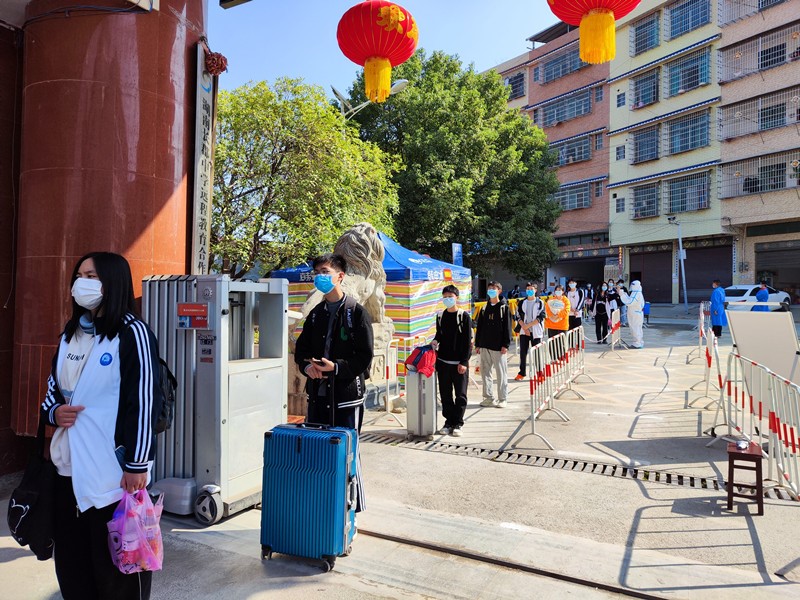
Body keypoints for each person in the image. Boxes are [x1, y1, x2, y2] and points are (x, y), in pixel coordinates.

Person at [40, 252, 162, 600]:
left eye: (92, 276)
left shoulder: (132, 333)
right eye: (79, 275)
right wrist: (54, 413)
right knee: (74, 573)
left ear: (112, 281)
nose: (82, 283)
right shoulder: (70, 335)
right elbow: (52, 393)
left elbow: (144, 401)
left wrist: (137, 464)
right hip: (68, 473)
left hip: (112, 478)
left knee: (118, 576)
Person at [294, 253, 374, 511]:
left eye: (325, 271)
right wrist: (307, 367)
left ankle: (352, 510)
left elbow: (365, 357)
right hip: (318, 394)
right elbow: (301, 350)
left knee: (347, 452)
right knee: (318, 450)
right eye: (317, 272)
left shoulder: (356, 312)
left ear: (340, 276)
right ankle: (323, 506)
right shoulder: (316, 314)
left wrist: (337, 367)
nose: (320, 276)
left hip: (346, 396)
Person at [431, 285, 472, 436]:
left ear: (457, 298)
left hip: (459, 363)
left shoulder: (464, 316)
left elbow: (467, 342)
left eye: (450, 296)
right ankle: (448, 422)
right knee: (445, 394)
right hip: (443, 361)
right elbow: (439, 334)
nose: (447, 299)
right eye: (445, 297)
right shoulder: (440, 316)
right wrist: (435, 341)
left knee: (460, 395)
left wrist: (464, 362)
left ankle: (458, 423)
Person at [475, 281, 511, 408]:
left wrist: (506, 345)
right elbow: (480, 327)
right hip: (485, 345)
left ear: (499, 291)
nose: (491, 290)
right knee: (485, 373)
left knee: (501, 373)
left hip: (498, 347)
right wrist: (478, 344)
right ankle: (488, 397)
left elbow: (507, 327)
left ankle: (503, 398)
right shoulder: (484, 308)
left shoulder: (504, 308)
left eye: (494, 288)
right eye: (489, 288)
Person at [515, 282, 545, 380]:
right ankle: (522, 373)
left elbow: (541, 317)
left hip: (535, 332)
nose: (529, 291)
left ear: (535, 290)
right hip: (524, 331)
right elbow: (517, 316)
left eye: (531, 289)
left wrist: (528, 326)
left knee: (537, 353)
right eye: (528, 289)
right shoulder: (521, 302)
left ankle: (540, 373)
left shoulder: (540, 302)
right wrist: (524, 327)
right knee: (523, 353)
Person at [618, 280, 645, 349]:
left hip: (635, 314)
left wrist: (622, 294)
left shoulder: (636, 293)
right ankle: (639, 342)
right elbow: (630, 299)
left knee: (635, 328)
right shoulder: (637, 293)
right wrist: (623, 293)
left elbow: (629, 302)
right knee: (638, 328)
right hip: (637, 313)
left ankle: (637, 343)